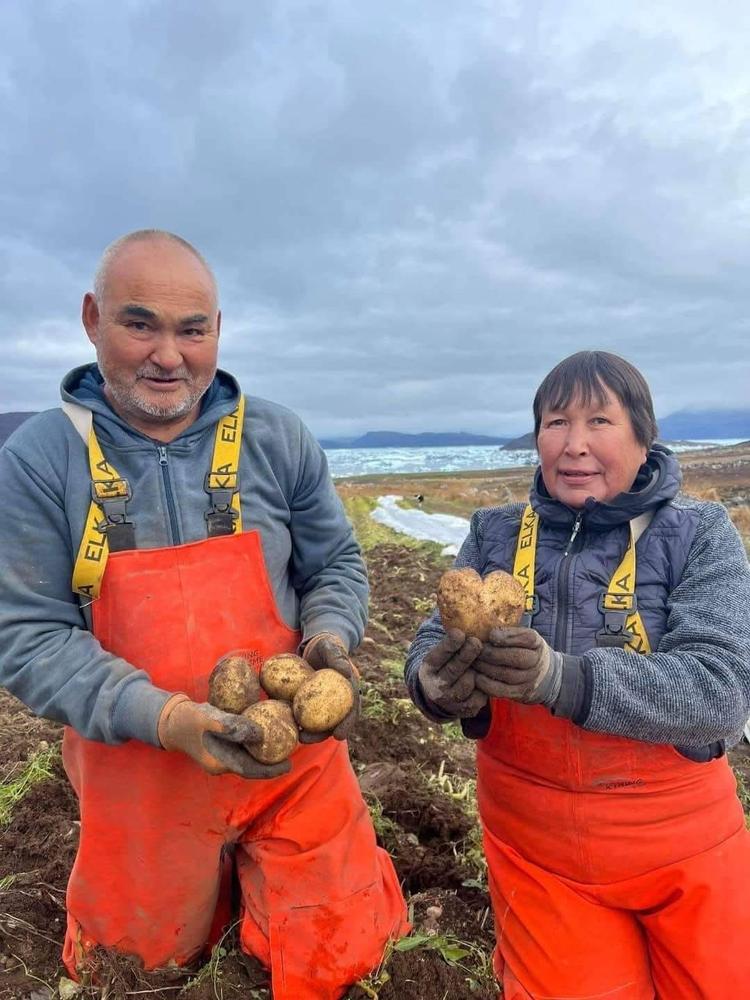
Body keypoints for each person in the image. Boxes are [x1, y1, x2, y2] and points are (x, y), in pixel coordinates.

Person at [0, 230, 408, 1000]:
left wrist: (329, 637)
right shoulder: (39, 460)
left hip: (290, 754)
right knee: (134, 969)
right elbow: (27, 635)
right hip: (139, 765)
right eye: (140, 324)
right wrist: (169, 720)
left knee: (344, 952)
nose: (169, 356)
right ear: (91, 319)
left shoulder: (277, 437)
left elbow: (335, 564)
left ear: (218, 329)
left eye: (192, 331)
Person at [405, 350, 750, 999]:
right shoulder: (494, 532)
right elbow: (430, 640)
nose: (574, 444)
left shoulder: (699, 533)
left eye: (600, 421)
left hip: (681, 845)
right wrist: (432, 684)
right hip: (538, 853)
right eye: (556, 422)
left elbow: (720, 689)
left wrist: (562, 679)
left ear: (644, 436)